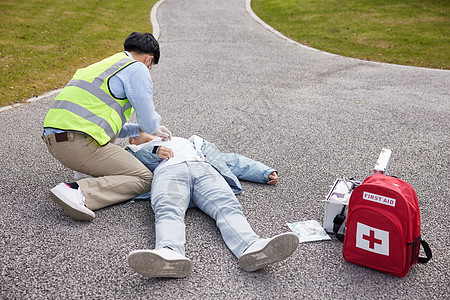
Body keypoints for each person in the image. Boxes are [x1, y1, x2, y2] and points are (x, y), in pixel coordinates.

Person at [124, 134, 299, 278]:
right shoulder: (135, 150)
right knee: (167, 209)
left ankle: (251, 245)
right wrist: (154, 152)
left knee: (227, 205)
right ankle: (169, 251)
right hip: (168, 173)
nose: (149, 130)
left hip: (203, 168)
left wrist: (263, 172)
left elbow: (230, 160)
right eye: (141, 131)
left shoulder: (190, 142)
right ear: (132, 140)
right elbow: (129, 165)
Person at [42, 32, 171, 222]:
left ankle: (84, 175)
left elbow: (107, 126)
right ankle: (79, 191)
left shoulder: (106, 65)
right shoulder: (138, 68)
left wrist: (139, 130)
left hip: (58, 141)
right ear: (149, 60)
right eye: (151, 67)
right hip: (77, 143)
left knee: (112, 152)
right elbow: (149, 123)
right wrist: (155, 124)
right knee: (145, 178)